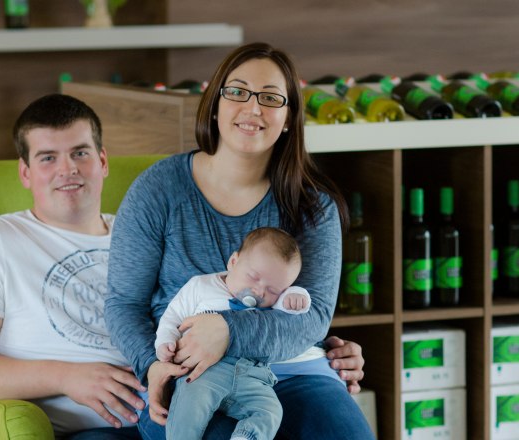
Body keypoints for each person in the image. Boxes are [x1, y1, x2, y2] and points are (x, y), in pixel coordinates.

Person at [106, 42, 375, 439]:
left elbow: (315, 316)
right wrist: (153, 365)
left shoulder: (313, 205)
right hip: (192, 371)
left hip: (293, 369)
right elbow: (123, 304)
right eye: (237, 91)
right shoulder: (159, 189)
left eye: (270, 98)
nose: (253, 108)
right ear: (215, 104)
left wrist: (229, 331)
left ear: (288, 118)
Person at [0, 94, 147, 439]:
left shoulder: (141, 234)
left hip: (179, 413)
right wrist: (65, 376)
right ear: (25, 173)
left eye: (80, 153)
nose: (68, 169)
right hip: (95, 431)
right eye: (48, 158)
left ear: (102, 161)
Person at [156, 227, 313, 440]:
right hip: (203, 372)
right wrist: (165, 341)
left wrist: (297, 295)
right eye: (254, 277)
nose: (259, 291)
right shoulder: (200, 286)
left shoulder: (273, 301)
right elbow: (173, 316)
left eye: (273, 290)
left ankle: (245, 437)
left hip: (252, 376)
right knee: (188, 405)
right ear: (233, 261)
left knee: (270, 410)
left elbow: (292, 308)